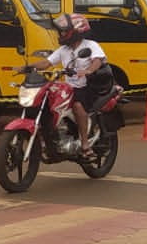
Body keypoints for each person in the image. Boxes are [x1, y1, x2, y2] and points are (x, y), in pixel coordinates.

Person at [45, 12, 112, 162]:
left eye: (63, 31)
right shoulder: (64, 50)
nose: (60, 34)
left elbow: (97, 60)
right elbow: (47, 62)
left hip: (88, 86)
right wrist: (28, 67)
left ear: (74, 31)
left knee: (77, 106)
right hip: (70, 87)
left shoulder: (90, 45)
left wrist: (88, 71)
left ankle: (85, 144)